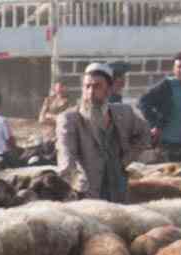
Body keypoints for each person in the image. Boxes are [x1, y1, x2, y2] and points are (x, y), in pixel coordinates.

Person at [58, 62, 151, 202]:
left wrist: (125, 160)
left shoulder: (123, 113)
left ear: (109, 89)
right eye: (87, 86)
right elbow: (66, 157)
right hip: (88, 194)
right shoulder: (69, 119)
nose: (90, 92)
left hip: (119, 190)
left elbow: (145, 134)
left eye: (97, 86)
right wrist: (69, 188)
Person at [140, 51, 181, 161]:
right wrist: (154, 124)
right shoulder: (166, 86)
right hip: (166, 143)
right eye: (179, 66)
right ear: (174, 68)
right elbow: (143, 102)